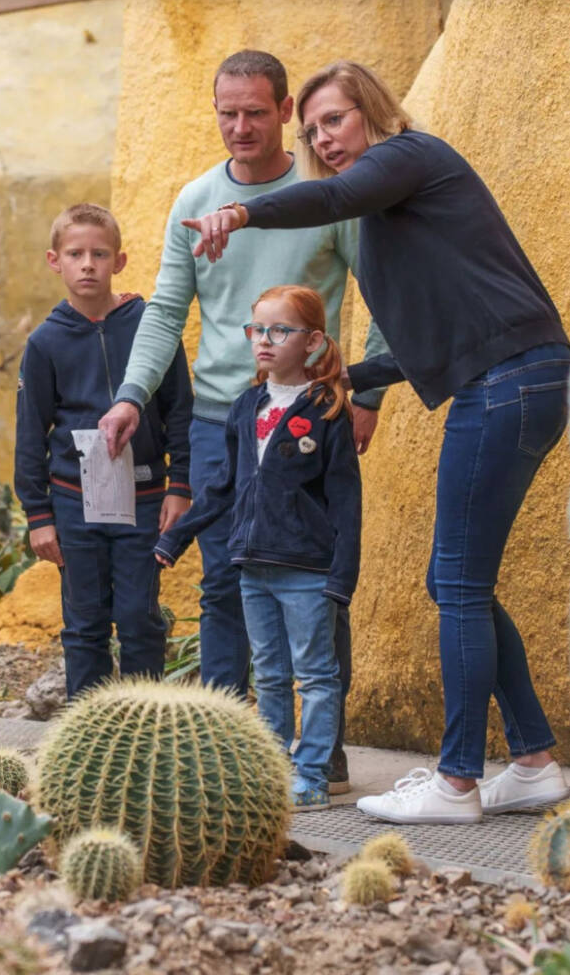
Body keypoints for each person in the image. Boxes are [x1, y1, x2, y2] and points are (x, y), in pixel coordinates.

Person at [184, 59, 570, 824]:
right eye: (314, 130)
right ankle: (530, 762)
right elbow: (428, 336)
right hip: (511, 377)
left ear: (369, 111)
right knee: (460, 583)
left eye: (334, 120)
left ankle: (456, 781)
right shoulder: (389, 209)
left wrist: (242, 213)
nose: (323, 140)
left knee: (454, 584)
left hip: (508, 382)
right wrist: (347, 377)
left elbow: (330, 194)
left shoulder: (408, 157)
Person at [100, 50, 390, 795]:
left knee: (317, 583)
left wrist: (364, 395)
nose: (239, 126)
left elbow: (384, 291)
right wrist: (132, 394)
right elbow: (166, 311)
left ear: (285, 110)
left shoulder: (327, 196)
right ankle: (235, 752)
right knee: (224, 580)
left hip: (309, 412)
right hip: (221, 420)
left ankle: (319, 754)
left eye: (255, 112)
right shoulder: (194, 199)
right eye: (226, 112)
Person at [154, 284, 361, 811]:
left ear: (312, 341)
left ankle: (311, 775)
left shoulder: (327, 409)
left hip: (307, 571)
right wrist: (176, 537)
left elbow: (345, 503)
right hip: (252, 566)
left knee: (316, 676)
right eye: (256, 330)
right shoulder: (247, 406)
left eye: (279, 330)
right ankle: (271, 771)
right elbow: (223, 485)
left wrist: (342, 577)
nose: (263, 341)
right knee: (268, 674)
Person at [14, 203, 193, 698]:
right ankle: (89, 738)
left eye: (99, 253)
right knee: (85, 624)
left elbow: (179, 409)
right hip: (74, 502)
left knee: (139, 618)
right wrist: (39, 515)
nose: (88, 264)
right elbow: (30, 433)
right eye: (76, 254)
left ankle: (143, 729)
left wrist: (180, 485)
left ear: (120, 260)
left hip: (145, 497)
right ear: (55, 261)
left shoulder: (150, 327)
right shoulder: (45, 342)